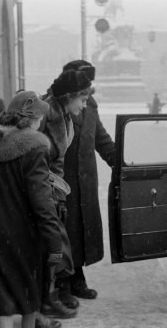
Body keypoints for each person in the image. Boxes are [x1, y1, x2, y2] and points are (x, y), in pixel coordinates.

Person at [0, 91, 63, 328]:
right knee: (27, 293)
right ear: (30, 118)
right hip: (24, 236)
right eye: (40, 117)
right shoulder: (34, 148)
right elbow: (42, 202)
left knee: (1, 295)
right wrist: (54, 243)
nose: (41, 123)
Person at [38, 69, 94, 318]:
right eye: (82, 99)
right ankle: (44, 302)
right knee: (47, 248)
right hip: (36, 191)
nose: (85, 105)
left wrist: (58, 194)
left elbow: (56, 161)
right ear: (69, 96)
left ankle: (51, 298)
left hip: (51, 191)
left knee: (56, 247)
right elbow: (31, 158)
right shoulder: (43, 115)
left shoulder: (66, 117)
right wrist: (47, 192)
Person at [58, 60, 115, 303]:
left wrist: (121, 163)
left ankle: (77, 279)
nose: (88, 87)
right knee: (63, 232)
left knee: (80, 230)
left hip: (87, 181)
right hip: (64, 180)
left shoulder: (90, 105)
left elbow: (101, 139)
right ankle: (61, 286)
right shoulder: (57, 107)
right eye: (84, 82)